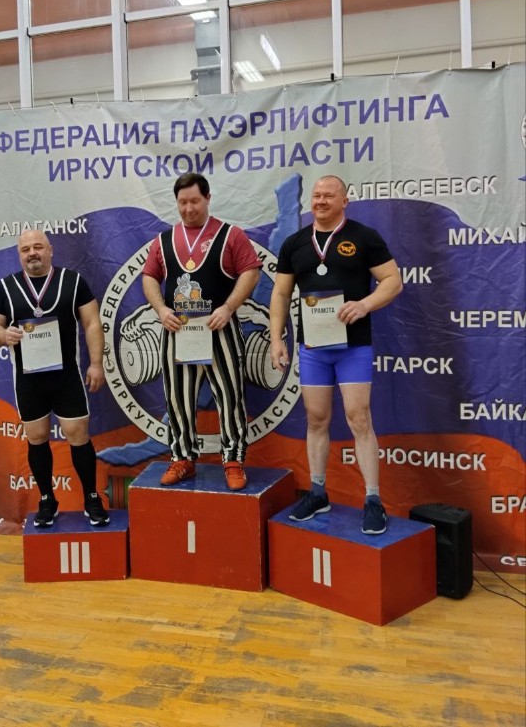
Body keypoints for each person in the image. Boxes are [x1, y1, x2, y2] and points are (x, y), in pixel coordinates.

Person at [269, 175, 402, 534]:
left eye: (329, 195)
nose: (321, 201)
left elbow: (393, 281)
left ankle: (372, 499)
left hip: (352, 347)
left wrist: (365, 305)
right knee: (316, 419)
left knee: (359, 418)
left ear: (345, 201)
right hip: (313, 348)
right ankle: (317, 492)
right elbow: (280, 294)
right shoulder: (295, 243)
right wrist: (276, 339)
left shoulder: (364, 237)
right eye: (316, 195)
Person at [0, 229, 110, 528]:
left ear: (50, 250)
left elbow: (92, 323)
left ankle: (92, 498)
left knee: (78, 435)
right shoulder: (6, 287)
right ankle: (47, 499)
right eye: (26, 249)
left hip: (66, 376)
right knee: (37, 438)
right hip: (29, 380)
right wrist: (3, 335)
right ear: (19, 254)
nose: (32, 253)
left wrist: (96, 364)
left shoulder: (72, 281)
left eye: (38, 247)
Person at [142, 172, 261, 490]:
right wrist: (161, 309)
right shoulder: (163, 240)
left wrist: (229, 307)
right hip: (178, 329)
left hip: (217, 327)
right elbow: (149, 277)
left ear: (208, 198)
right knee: (177, 398)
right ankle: (182, 458)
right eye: (182, 202)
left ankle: (233, 460)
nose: (189, 208)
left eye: (195, 201)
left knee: (230, 396)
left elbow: (251, 271)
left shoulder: (230, 234)